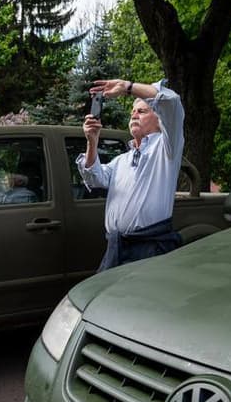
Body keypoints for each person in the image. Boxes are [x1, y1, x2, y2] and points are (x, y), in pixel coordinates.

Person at [79, 77, 185, 271]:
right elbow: (94, 179)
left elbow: (171, 102)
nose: (134, 115)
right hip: (117, 248)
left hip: (149, 249)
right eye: (132, 112)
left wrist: (128, 88)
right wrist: (92, 141)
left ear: (160, 119)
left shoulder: (166, 149)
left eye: (142, 111)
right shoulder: (122, 160)